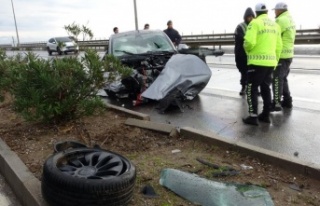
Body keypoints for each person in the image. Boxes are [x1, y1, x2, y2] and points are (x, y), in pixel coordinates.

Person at [242, 3, 282, 125]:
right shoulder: (276, 26)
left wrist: (248, 51)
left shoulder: (254, 23)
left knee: (251, 88)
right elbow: (279, 46)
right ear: (267, 12)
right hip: (270, 62)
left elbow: (248, 42)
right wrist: (275, 61)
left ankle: (253, 116)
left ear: (256, 13)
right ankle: (265, 114)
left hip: (256, 63)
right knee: (265, 88)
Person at [271, 2, 296, 111]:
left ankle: (276, 103)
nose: (275, 12)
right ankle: (287, 100)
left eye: (275, 10)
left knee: (277, 79)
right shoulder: (290, 19)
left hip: (281, 54)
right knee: (283, 78)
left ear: (280, 10)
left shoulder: (280, 20)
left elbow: (272, 35)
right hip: (289, 53)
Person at [234, 7, 255, 95]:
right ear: (245, 17)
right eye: (248, 17)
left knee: (253, 72)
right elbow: (241, 38)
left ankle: (253, 89)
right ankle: (243, 87)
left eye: (252, 16)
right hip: (241, 53)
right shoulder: (240, 26)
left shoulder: (255, 25)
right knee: (243, 71)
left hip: (252, 53)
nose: (250, 18)